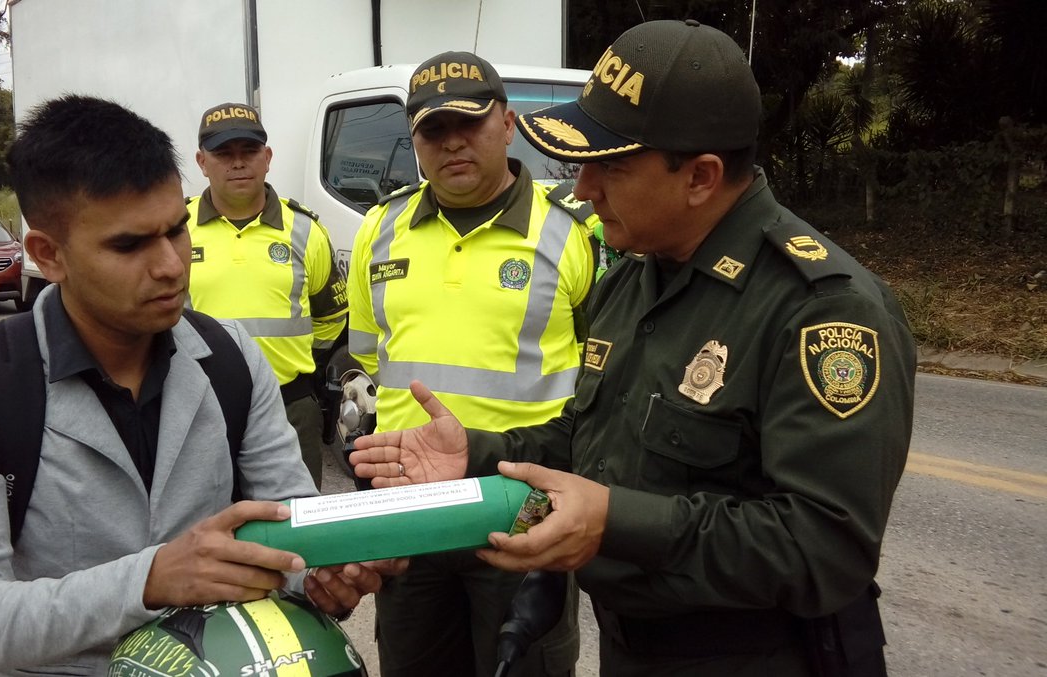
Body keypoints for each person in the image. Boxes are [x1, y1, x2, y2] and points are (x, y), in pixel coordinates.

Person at [351, 20, 916, 677]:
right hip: (632, 647)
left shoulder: (821, 310)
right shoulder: (637, 274)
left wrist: (615, 521)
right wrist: (479, 452)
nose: (584, 190)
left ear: (701, 177)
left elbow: (825, 548)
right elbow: (590, 439)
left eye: (609, 168)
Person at [0, 95, 385, 676]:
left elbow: (290, 521)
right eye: (129, 245)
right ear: (48, 254)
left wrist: (325, 572)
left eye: (177, 231)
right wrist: (150, 580)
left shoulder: (229, 359)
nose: (172, 266)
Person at [347, 51, 599, 677]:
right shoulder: (379, 230)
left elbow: (604, 382)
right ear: (413, 141)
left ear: (508, 124)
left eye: (471, 123)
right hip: (409, 512)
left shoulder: (571, 236)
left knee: (525, 666)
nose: (453, 142)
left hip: (520, 506)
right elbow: (366, 357)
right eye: (433, 129)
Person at [186, 102, 347, 489]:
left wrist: (299, 361)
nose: (238, 163)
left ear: (268, 157)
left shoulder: (305, 231)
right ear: (202, 162)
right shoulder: (176, 227)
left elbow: (331, 317)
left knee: (296, 528)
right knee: (204, 528)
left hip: (289, 409)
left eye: (249, 151)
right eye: (223, 153)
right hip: (198, 407)